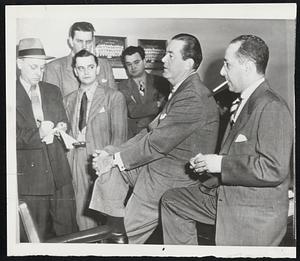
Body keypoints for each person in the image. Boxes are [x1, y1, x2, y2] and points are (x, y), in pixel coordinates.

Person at [161, 35, 293, 246]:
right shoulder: (245, 101)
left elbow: (273, 169)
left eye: (228, 65)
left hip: (252, 211)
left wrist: (220, 164)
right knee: (172, 200)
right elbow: (237, 155)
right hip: (229, 194)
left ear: (248, 67)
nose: (222, 72)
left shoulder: (271, 106)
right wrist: (209, 166)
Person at [90, 33, 219, 244]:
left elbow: (156, 143)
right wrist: (112, 153)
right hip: (157, 165)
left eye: (170, 55)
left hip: (169, 178)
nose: (163, 60)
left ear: (188, 63)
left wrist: (113, 159)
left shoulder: (192, 96)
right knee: (110, 170)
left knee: (124, 240)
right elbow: (150, 131)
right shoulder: (180, 90)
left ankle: (117, 234)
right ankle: (113, 222)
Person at [16, 38, 78, 241]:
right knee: (36, 236)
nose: (39, 73)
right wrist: (38, 134)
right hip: (31, 182)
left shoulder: (53, 90)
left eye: (42, 68)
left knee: (69, 233)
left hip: (60, 175)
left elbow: (63, 120)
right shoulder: (9, 93)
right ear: (19, 64)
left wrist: (62, 127)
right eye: (34, 67)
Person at [64, 49, 127, 231]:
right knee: (81, 209)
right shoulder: (68, 100)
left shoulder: (113, 97)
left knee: (106, 212)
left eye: (90, 67)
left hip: (102, 159)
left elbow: (120, 137)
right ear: (75, 71)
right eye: (81, 68)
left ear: (98, 69)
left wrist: (107, 159)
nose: (86, 72)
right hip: (76, 159)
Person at [43, 21, 116, 98]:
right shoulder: (53, 68)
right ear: (71, 41)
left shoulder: (104, 65)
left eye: (88, 42)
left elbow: (114, 99)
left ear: (93, 41)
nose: (84, 46)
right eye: (79, 41)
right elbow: (51, 103)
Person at [119, 46, 170, 138]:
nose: (133, 67)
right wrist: (157, 104)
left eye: (136, 62)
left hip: (157, 134)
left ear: (144, 61)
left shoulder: (161, 82)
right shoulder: (122, 86)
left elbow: (166, 108)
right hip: (132, 137)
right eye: (129, 64)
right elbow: (132, 110)